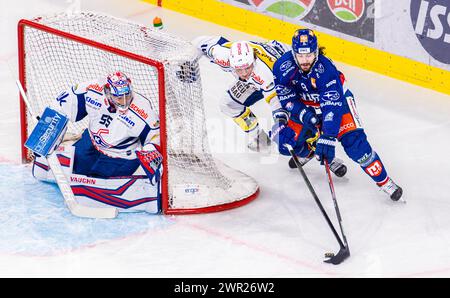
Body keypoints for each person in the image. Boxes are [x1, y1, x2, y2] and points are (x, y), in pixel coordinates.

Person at [271, 29, 403, 201]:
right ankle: (312, 151)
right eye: (301, 56)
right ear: (293, 53)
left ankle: (384, 182)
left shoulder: (326, 69)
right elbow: (286, 97)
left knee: (355, 145)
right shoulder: (282, 67)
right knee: (286, 143)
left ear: (316, 51)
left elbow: (331, 106)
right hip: (306, 106)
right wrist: (305, 114)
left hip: (338, 103)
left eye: (309, 55)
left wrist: (328, 136)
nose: (305, 61)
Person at [52, 71, 163, 184]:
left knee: (98, 183)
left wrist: (151, 151)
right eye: (119, 97)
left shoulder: (143, 110)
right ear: (108, 92)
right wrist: (48, 129)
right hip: (91, 142)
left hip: (121, 156)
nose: (124, 101)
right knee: (73, 168)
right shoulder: (92, 89)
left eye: (127, 95)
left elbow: (156, 136)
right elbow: (64, 102)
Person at [193, 36, 291, 151]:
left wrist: (280, 121)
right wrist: (189, 64)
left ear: (253, 60)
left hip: (286, 67)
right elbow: (198, 42)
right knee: (229, 104)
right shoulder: (222, 55)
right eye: (238, 69)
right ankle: (261, 139)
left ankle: (306, 145)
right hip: (258, 78)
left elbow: (276, 101)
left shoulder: (264, 72)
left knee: (293, 108)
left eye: (247, 68)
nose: (244, 74)